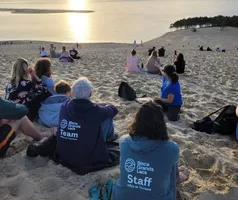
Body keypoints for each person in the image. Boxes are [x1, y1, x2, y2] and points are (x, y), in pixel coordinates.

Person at [112, 101, 188, 200]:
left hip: (121, 197)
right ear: (161, 123)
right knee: (171, 167)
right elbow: (172, 176)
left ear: (137, 120)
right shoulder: (171, 148)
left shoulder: (124, 141)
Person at [55, 77, 118, 174]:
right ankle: (110, 137)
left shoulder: (64, 106)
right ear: (90, 94)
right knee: (107, 117)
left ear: (72, 93)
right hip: (86, 157)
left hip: (65, 154)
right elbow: (113, 110)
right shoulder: (96, 111)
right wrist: (103, 106)